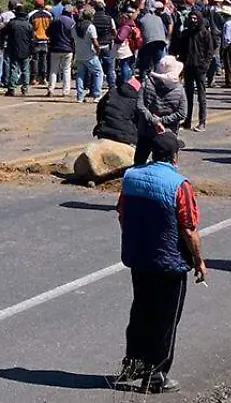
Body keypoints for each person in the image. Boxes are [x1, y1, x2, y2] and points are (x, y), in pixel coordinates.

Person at [116, 131, 206, 394]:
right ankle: (156, 375)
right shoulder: (180, 185)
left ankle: (133, 365)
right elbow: (188, 228)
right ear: (174, 156)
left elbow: (122, 214)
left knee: (141, 311)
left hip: (139, 258)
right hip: (170, 261)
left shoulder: (131, 178)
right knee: (166, 318)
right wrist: (199, 261)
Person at [135, 56, 188, 165]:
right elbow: (182, 113)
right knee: (167, 165)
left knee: (139, 161)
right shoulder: (179, 89)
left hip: (146, 129)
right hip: (168, 133)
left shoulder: (146, 84)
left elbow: (140, 106)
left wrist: (154, 121)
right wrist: (162, 121)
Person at [174, 10, 213, 132]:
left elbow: (210, 51)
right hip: (188, 67)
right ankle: (187, 121)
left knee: (201, 96)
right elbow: (180, 50)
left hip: (200, 68)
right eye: (191, 18)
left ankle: (202, 122)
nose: (193, 20)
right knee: (187, 96)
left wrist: (205, 65)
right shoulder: (186, 33)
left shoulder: (205, 33)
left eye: (195, 18)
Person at [94, 74, 140, 147]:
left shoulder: (111, 92)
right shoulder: (138, 99)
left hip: (104, 133)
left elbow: (99, 111)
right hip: (126, 137)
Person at [74, 7, 104, 103]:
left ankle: (80, 97)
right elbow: (95, 42)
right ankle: (97, 95)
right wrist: (98, 51)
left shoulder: (74, 27)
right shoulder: (91, 27)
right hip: (90, 55)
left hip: (79, 54)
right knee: (98, 73)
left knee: (80, 75)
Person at [3, 4, 33, 97]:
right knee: (25, 70)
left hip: (14, 49)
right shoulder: (28, 25)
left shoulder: (12, 23)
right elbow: (32, 38)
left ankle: (11, 88)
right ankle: (25, 89)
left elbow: (4, 32)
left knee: (13, 69)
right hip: (26, 50)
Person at [47, 5, 76, 97]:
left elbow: (47, 32)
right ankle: (65, 91)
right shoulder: (72, 22)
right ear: (70, 13)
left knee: (53, 70)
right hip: (68, 49)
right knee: (66, 70)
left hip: (55, 48)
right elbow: (73, 37)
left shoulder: (55, 20)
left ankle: (51, 89)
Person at [27, 0, 52, 85]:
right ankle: (44, 78)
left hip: (35, 40)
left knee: (35, 60)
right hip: (46, 40)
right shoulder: (48, 14)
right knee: (44, 60)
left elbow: (29, 28)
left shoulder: (31, 15)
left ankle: (34, 78)